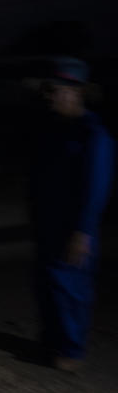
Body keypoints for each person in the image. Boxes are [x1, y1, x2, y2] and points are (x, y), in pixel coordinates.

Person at [30, 57, 114, 372]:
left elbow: (96, 187)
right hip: (49, 224)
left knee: (71, 288)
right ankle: (52, 342)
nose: (48, 96)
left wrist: (83, 231)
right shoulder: (58, 130)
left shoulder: (94, 134)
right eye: (47, 90)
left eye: (54, 90)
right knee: (47, 283)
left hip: (73, 228)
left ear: (75, 92)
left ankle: (70, 349)